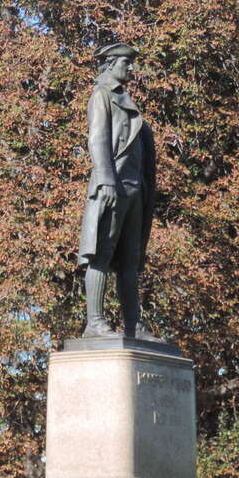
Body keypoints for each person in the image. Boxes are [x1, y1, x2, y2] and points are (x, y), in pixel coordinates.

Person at [78, 42, 161, 340]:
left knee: (130, 260)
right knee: (100, 253)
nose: (131, 67)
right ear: (111, 64)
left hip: (135, 190)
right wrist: (106, 180)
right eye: (126, 62)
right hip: (113, 186)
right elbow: (97, 140)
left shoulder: (127, 103)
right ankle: (95, 322)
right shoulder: (102, 97)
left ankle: (133, 326)